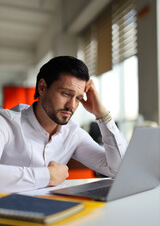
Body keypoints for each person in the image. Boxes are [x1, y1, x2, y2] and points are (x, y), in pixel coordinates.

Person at [0, 56, 127, 192]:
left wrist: (102, 115)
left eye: (78, 98)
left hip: (54, 210)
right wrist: (48, 176)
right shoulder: (6, 123)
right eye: (66, 94)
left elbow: (118, 170)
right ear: (42, 87)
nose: (71, 106)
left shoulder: (73, 133)